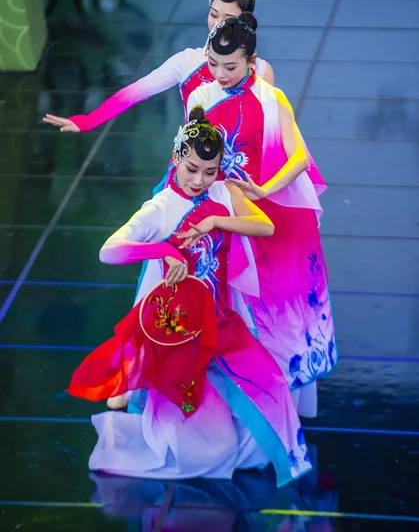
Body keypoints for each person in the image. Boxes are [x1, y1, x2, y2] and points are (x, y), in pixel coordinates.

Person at [68, 107, 312, 487]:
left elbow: (263, 225)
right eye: (192, 168)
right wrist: (162, 250)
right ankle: (138, 398)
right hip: (178, 326)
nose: (200, 180)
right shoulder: (161, 208)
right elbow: (109, 251)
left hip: (219, 313)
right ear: (177, 157)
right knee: (205, 441)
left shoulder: (224, 191)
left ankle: (286, 467)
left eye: (210, 171)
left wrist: (216, 220)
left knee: (273, 386)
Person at [182, 14, 337, 419]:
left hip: (271, 211)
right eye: (213, 64)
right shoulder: (201, 97)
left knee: (273, 298)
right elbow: (190, 154)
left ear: (252, 61)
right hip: (220, 201)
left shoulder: (271, 98)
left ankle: (274, 399)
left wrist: (265, 189)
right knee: (226, 296)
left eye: (230, 66)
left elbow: (299, 156)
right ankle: (229, 394)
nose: (219, 74)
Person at [43, 0, 274, 133]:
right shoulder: (187, 62)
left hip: (243, 167)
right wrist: (88, 121)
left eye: (227, 18)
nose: (217, 24)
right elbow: (134, 92)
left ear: (244, 20)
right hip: (195, 164)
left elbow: (267, 127)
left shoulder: (261, 71)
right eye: (214, 15)